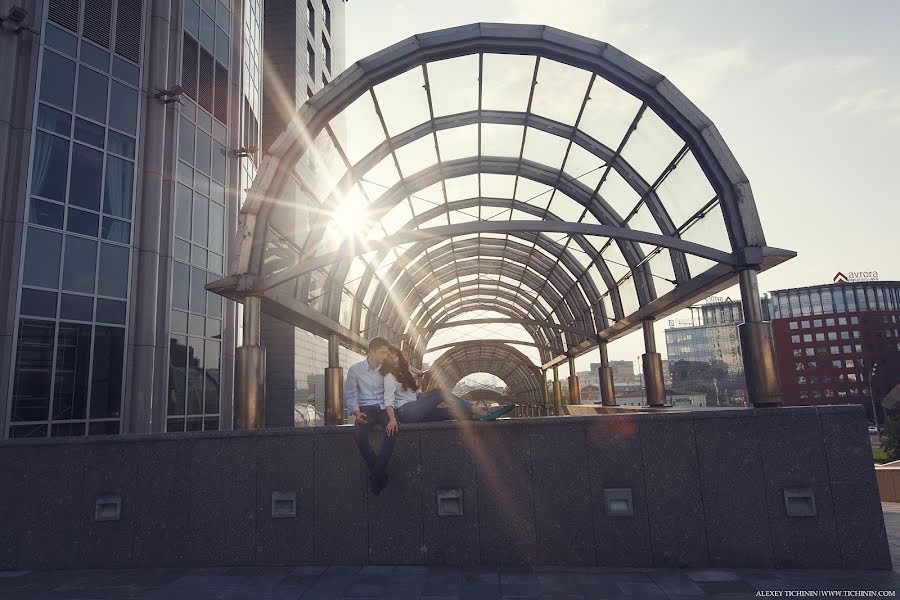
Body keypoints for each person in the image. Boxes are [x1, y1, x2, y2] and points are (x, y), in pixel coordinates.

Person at [380, 345, 516, 436]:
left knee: (450, 413)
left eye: (396, 355)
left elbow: (417, 395)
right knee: (442, 394)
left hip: (415, 410)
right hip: (405, 412)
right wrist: (392, 419)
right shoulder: (388, 376)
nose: (394, 359)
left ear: (399, 356)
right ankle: (480, 410)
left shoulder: (406, 374)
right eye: (390, 358)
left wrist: (430, 393)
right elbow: (388, 401)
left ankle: (482, 415)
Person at [343, 336, 394, 495]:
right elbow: (350, 394)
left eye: (386, 353)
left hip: (382, 407)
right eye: (382, 353)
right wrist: (356, 412)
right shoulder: (355, 370)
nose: (385, 356)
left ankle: (375, 475)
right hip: (365, 408)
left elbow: (389, 395)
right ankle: (379, 473)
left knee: (392, 431)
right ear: (371, 352)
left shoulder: (387, 371)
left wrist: (392, 417)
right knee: (359, 434)